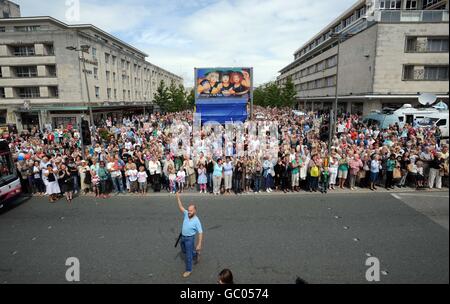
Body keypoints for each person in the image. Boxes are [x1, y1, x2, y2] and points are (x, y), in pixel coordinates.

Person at [176, 192, 203, 278]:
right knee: (184, 251)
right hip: (182, 238)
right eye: (189, 210)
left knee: (188, 255)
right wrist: (178, 197)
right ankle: (196, 254)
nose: (189, 212)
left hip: (189, 239)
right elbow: (180, 207)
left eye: (191, 211)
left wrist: (199, 244)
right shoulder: (186, 214)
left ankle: (189, 270)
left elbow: (201, 233)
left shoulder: (197, 220)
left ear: (195, 211)